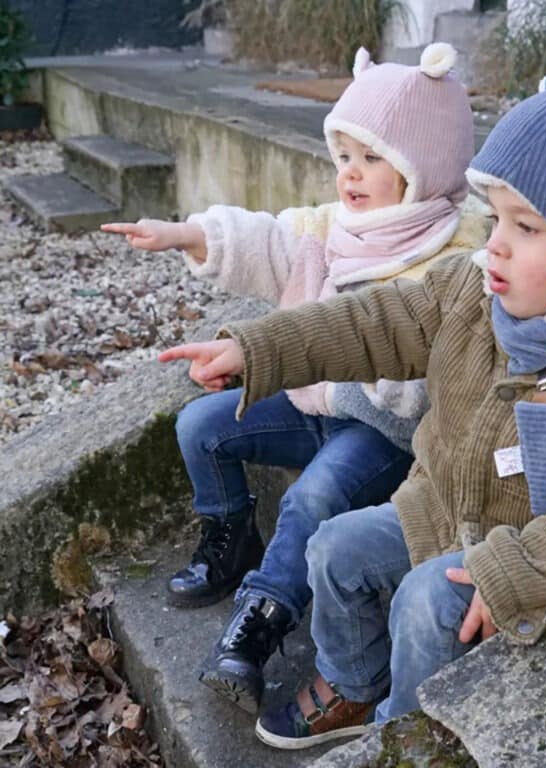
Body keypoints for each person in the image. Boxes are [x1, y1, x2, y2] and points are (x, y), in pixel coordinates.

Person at [157, 75, 546, 749]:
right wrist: (261, 348)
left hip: (518, 559)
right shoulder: (472, 291)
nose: (496, 243)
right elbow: (372, 323)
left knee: (425, 601)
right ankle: (354, 685)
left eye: (527, 227)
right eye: (497, 217)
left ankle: (411, 739)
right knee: (333, 547)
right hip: (437, 511)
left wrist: (518, 569)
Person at [102, 42, 485, 713]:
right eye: (343, 157)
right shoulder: (335, 227)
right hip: (313, 404)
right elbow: (268, 240)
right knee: (201, 427)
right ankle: (230, 540)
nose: (351, 175)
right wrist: (187, 234)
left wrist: (316, 371)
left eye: (373, 159)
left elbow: (417, 388)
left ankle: (258, 625)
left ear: (425, 167)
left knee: (312, 499)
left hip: (383, 435)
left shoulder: (451, 255)